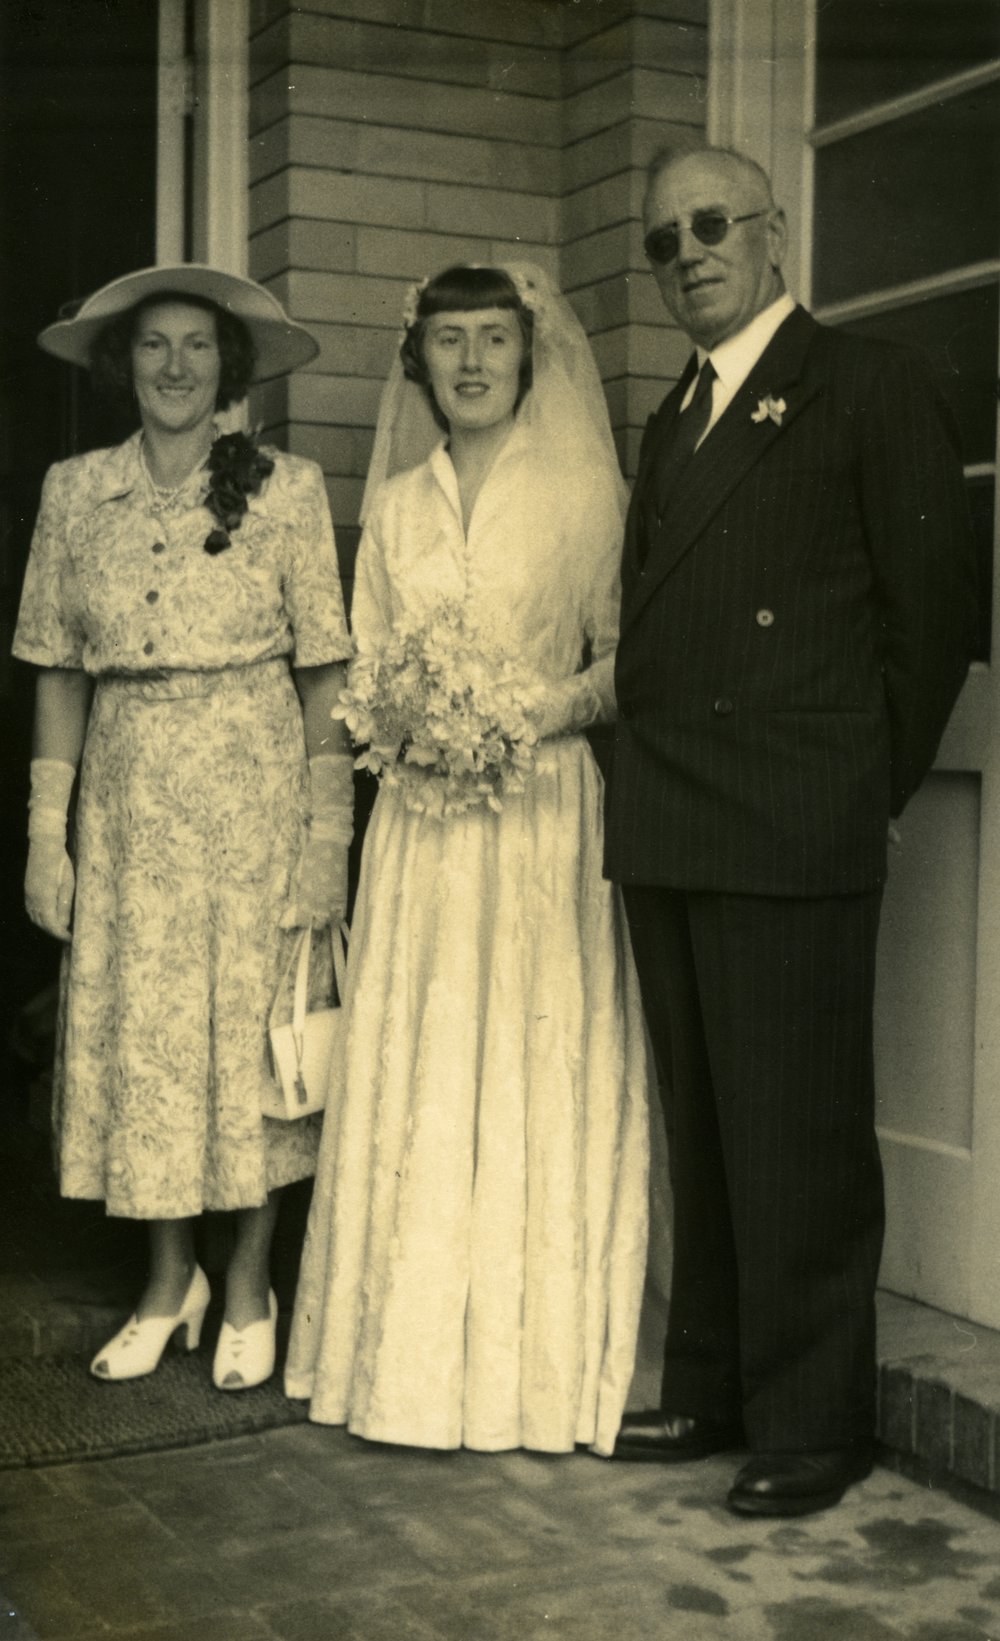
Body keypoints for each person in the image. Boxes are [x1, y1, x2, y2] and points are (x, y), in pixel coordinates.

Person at [603, 145, 979, 1515]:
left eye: (711, 226)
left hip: (792, 813)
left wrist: (857, 784)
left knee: (798, 1130)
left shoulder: (865, 387)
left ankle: (816, 1421)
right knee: (705, 1123)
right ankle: (712, 1385)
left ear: (772, 238)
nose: (688, 252)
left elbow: (933, 612)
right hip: (673, 815)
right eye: (663, 241)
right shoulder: (673, 417)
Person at [285, 263, 650, 1455]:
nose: (474, 362)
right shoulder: (393, 506)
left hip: (543, 816)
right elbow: (366, 671)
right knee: (429, 1062)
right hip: (425, 829)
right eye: (450, 342)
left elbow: (619, 664)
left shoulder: (589, 491)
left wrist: (521, 717)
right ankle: (403, 1370)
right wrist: (407, 721)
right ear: (419, 361)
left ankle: (527, 1378)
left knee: (527, 1062)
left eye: (494, 339)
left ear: (529, 354)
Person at [13, 264, 354, 1390]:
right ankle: (172, 1283)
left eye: (196, 347)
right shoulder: (75, 493)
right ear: (124, 365)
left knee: (241, 1038)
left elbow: (322, 675)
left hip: (252, 793)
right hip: (126, 798)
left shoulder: (288, 489)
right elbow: (58, 671)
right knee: (150, 1044)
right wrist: (43, 834)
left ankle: (249, 1280)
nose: (173, 366)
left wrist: (324, 837)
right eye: (153, 346)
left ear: (229, 368)